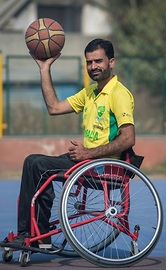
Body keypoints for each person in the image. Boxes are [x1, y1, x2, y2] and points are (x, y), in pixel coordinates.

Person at [10, 38, 135, 249]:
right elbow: (54, 108)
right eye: (89, 62)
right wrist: (44, 68)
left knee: (39, 167)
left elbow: (128, 138)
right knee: (32, 161)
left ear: (111, 62)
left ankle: (37, 236)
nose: (93, 67)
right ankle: (31, 234)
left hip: (103, 166)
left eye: (98, 61)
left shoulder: (118, 94)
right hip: (87, 162)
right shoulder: (90, 93)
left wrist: (89, 153)